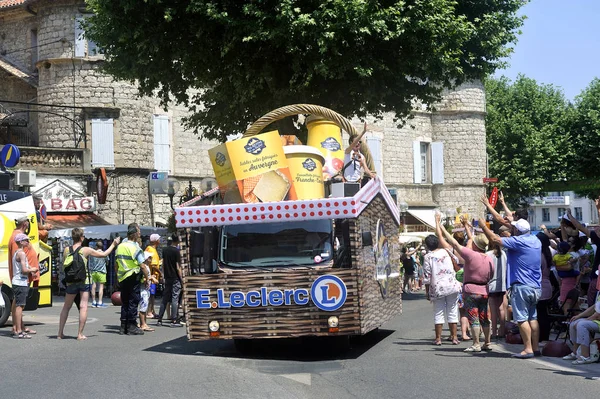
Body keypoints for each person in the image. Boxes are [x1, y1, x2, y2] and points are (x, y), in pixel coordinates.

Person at [481, 213, 542, 359]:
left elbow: (495, 239)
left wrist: (483, 226)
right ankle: (535, 347)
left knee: (521, 319)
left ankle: (527, 349)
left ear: (517, 231)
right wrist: (509, 222)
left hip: (521, 286)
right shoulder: (535, 240)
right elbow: (517, 230)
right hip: (536, 286)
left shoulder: (518, 241)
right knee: (533, 318)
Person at [441, 217, 494, 352]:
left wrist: (441, 229)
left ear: (476, 245)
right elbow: (492, 274)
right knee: (485, 318)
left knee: (473, 317)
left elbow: (454, 243)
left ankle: (476, 344)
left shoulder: (471, 255)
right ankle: (487, 343)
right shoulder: (489, 258)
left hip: (471, 290)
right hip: (484, 290)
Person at [58, 228, 120, 340]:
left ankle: (60, 333)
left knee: (66, 307)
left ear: (72, 237)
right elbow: (104, 254)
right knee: (83, 306)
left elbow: (64, 265)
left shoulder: (67, 250)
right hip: (84, 281)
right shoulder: (86, 250)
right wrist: (114, 244)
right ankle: (80, 334)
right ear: (82, 238)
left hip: (71, 281)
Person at [423, 215, 462, 346]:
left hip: (437, 287)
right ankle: (455, 337)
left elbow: (427, 277)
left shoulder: (428, 257)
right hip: (452, 285)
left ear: (427, 246)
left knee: (438, 312)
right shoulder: (446, 251)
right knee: (452, 311)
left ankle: (438, 338)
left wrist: (427, 292)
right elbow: (457, 262)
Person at [115, 223, 149, 335]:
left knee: (124, 301)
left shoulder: (120, 246)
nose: (140, 234)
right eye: (138, 232)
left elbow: (116, 264)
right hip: (133, 276)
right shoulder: (135, 247)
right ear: (134, 235)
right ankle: (131, 326)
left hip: (122, 277)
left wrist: (117, 276)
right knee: (133, 301)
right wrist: (147, 278)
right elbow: (142, 265)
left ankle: (123, 326)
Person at [8, 215, 39, 336]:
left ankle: (20, 327)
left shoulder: (17, 235)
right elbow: (18, 258)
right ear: (25, 224)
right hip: (22, 276)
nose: (27, 241)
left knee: (19, 301)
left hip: (24, 275)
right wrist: (30, 270)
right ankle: (17, 328)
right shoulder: (17, 237)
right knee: (19, 303)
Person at [562, 298, 600, 365]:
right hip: (597, 321)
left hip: (598, 320)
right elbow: (594, 307)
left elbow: (597, 315)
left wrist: (586, 320)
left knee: (581, 325)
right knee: (573, 322)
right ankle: (575, 352)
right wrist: (578, 316)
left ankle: (585, 356)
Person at [157, 234, 183, 327]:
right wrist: (181, 278)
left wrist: (163, 275)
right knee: (175, 298)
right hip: (175, 277)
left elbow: (163, 264)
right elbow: (178, 267)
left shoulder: (165, 250)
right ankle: (174, 320)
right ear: (178, 241)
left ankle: (159, 319)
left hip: (167, 277)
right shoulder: (177, 251)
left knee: (165, 298)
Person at [139, 251, 157, 332]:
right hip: (143, 290)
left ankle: (144, 323)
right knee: (143, 307)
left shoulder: (147, 267)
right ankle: (143, 324)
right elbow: (142, 279)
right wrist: (151, 278)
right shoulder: (143, 267)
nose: (151, 259)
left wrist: (150, 277)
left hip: (146, 289)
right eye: (150, 257)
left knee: (145, 307)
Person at [145, 234, 162, 318]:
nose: (160, 240)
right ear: (155, 240)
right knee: (151, 295)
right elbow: (154, 265)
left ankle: (152, 311)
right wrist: (161, 273)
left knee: (152, 294)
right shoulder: (151, 249)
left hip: (153, 277)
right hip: (151, 277)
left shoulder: (152, 249)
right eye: (159, 239)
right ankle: (149, 311)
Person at [88, 241, 108, 308]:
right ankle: (100, 302)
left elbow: (89, 261)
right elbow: (107, 261)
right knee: (101, 287)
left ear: (96, 246)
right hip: (102, 271)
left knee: (93, 286)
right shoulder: (104, 253)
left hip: (93, 271)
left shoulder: (93, 253)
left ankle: (93, 301)